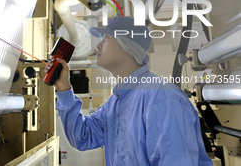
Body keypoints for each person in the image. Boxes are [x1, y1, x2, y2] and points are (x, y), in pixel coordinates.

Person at [45, 16, 212, 166]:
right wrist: (64, 87)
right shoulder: (116, 102)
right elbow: (82, 137)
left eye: (106, 37)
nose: (99, 44)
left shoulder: (162, 98)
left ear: (127, 45)